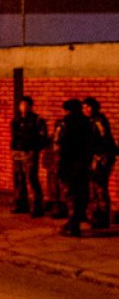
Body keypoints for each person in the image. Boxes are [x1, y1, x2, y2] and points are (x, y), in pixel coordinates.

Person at [57, 99, 93, 237]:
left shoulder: (65, 123)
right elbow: (91, 143)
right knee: (82, 192)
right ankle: (75, 220)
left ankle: (73, 224)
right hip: (83, 163)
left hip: (69, 163)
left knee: (71, 194)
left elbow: (61, 144)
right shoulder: (86, 122)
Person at [10, 96, 48, 217]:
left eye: (26, 105)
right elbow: (14, 136)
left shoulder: (37, 120)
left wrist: (34, 149)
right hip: (18, 151)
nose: (23, 107)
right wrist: (14, 148)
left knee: (31, 178)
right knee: (18, 178)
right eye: (21, 105)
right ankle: (21, 204)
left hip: (30, 152)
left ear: (30, 106)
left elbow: (43, 138)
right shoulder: (17, 119)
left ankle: (37, 207)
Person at [83, 97, 116, 229]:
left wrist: (99, 155)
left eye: (89, 107)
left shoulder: (99, 121)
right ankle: (95, 216)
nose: (87, 110)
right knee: (93, 188)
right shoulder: (88, 121)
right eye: (85, 107)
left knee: (100, 187)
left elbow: (103, 139)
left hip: (102, 157)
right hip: (93, 158)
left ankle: (102, 218)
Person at [45, 118, 68, 219]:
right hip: (53, 166)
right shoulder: (52, 138)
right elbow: (48, 151)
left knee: (62, 188)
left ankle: (62, 208)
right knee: (53, 188)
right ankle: (56, 207)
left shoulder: (65, 138)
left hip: (61, 166)